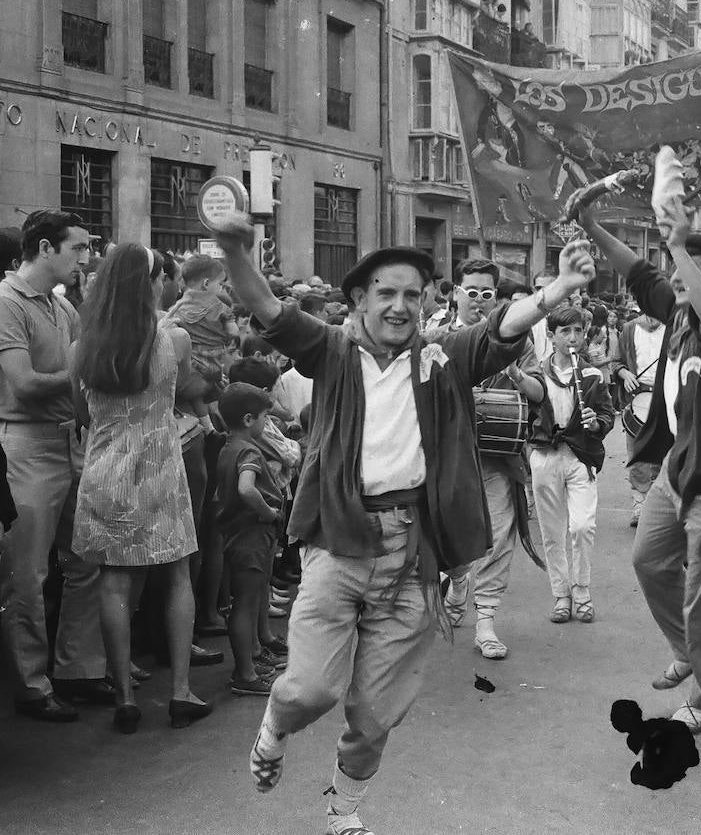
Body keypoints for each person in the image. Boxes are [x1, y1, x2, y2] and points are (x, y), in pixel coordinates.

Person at [205, 211, 594, 835]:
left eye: (413, 294)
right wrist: (234, 252)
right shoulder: (329, 349)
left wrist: (556, 290)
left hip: (413, 558)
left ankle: (345, 807)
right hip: (338, 544)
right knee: (309, 691)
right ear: (358, 298)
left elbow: (502, 326)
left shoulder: (442, 356)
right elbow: (267, 307)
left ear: (429, 302)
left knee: (376, 711)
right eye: (385, 292)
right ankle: (273, 728)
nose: (399, 305)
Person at [569, 153, 701, 734]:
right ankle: (689, 651)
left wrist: (680, 244)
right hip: (676, 472)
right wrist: (590, 224)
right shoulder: (677, 310)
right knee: (649, 561)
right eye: (675, 269)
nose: (674, 276)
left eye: (685, 268)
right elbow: (636, 270)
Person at [70, 243, 211, 734]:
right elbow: (186, 391)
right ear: (149, 283)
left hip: (105, 471)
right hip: (160, 470)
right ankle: (179, 693)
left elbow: (81, 412)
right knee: (177, 578)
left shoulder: (83, 345)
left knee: (113, 582)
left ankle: (125, 698)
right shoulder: (173, 340)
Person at [0, 210, 106, 722]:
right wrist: (79, 372)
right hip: (25, 444)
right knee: (28, 571)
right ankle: (31, 682)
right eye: (78, 248)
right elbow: (22, 383)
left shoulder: (62, 307)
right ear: (45, 249)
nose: (85, 257)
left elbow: (76, 375)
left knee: (86, 559)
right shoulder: (5, 302)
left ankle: (77, 669)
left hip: (68, 441)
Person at [440, 257, 546, 660]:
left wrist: (517, 374)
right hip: (447, 456)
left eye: (487, 295)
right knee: (449, 535)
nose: (479, 302)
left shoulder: (517, 340)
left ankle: (485, 621)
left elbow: (539, 394)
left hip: (498, 458)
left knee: (499, 537)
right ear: (455, 294)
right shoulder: (434, 336)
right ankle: (458, 578)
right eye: (471, 293)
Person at [528, 306, 615, 623]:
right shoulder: (536, 373)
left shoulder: (591, 375)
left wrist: (596, 424)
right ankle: (561, 595)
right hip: (547, 457)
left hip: (580, 457)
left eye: (578, 331)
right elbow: (525, 416)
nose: (573, 338)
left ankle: (582, 590)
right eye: (565, 332)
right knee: (552, 532)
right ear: (551, 337)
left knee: (581, 527)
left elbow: (607, 415)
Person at [214, 382, 285, 696]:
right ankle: (244, 673)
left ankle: (250, 663)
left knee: (245, 600)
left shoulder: (228, 447)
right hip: (251, 535)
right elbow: (246, 488)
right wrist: (268, 513)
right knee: (244, 603)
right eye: (262, 419)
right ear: (247, 419)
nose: (264, 425)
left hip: (238, 535)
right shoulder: (249, 451)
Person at [613, 308, 666, 528]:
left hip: (666, 397)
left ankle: (662, 504)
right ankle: (640, 503)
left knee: (665, 453)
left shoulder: (673, 329)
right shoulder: (628, 329)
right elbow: (616, 363)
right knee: (637, 451)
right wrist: (625, 374)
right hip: (638, 397)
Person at [165, 254, 239, 389]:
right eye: (220, 284)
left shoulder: (176, 308)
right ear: (206, 284)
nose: (221, 288)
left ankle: (200, 410)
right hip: (214, 364)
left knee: (197, 400)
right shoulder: (219, 307)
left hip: (190, 367)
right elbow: (234, 332)